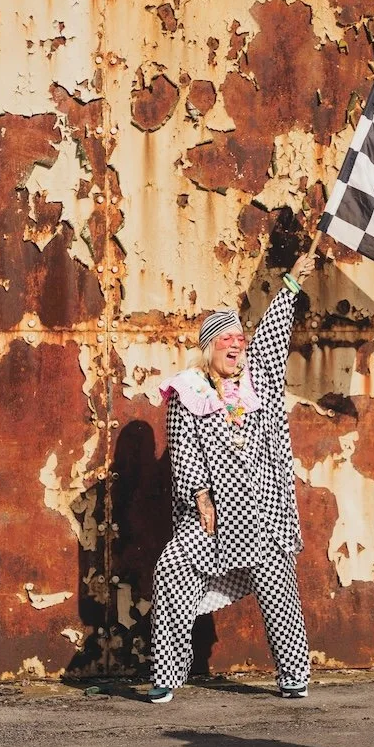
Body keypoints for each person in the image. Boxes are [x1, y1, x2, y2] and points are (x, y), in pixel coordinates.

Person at [146, 251, 318, 704]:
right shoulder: (189, 391)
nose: (237, 347)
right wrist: (200, 498)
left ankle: (294, 676)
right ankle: (166, 675)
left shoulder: (257, 376)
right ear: (209, 347)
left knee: (278, 584)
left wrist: (293, 282)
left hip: (265, 510)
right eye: (227, 341)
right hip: (214, 514)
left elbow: (276, 329)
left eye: (240, 340)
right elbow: (182, 450)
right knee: (173, 570)